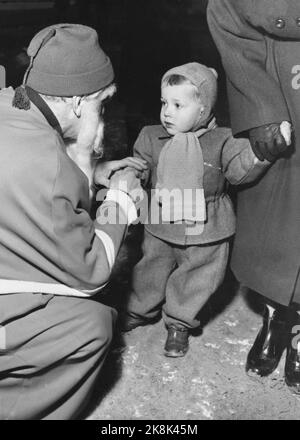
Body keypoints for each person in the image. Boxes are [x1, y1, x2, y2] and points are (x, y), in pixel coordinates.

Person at [0, 23, 147, 419]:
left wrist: (89, 173)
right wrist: (117, 198)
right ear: (80, 102)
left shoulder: (6, 104)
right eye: (103, 103)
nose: (104, 113)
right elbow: (90, 273)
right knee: (93, 325)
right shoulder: (49, 166)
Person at [120, 62, 276, 358]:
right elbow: (139, 167)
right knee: (149, 269)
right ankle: (140, 309)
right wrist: (131, 180)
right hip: (161, 220)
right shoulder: (151, 137)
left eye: (179, 104)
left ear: (203, 108)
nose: (167, 111)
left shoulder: (224, 140)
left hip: (207, 227)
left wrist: (261, 153)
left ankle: (179, 322)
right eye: (164, 102)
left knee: (198, 277)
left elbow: (239, 172)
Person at [206, 0, 300, 393]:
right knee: (273, 221)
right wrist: (260, 109)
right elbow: (228, 17)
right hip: (272, 81)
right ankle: (276, 315)